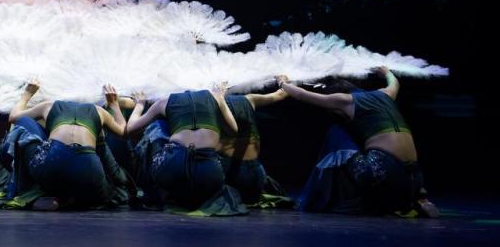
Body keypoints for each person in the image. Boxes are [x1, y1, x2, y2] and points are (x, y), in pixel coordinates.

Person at [280, 68, 439, 217]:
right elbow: (394, 83)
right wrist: (386, 71)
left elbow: (302, 95)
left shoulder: (345, 100)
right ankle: (418, 198)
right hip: (415, 177)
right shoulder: (385, 94)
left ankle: (333, 198)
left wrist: (282, 82)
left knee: (337, 133)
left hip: (381, 172)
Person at [4, 80, 127, 210]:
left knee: (25, 122)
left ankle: (28, 190)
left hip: (53, 164)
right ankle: (75, 197)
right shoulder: (99, 110)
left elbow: (13, 117)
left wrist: (27, 94)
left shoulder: (49, 105)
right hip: (89, 170)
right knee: (104, 186)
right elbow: (123, 131)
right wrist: (114, 105)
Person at [125, 85, 244, 212]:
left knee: (157, 126)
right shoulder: (215, 97)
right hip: (209, 174)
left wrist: (140, 104)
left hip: (174, 169)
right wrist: (220, 100)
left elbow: (130, 129)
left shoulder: (163, 102)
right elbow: (234, 130)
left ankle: (150, 195)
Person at [219, 80, 289, 205]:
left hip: (232, 177)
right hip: (257, 177)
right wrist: (282, 79)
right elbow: (281, 94)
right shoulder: (250, 99)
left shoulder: (212, 103)